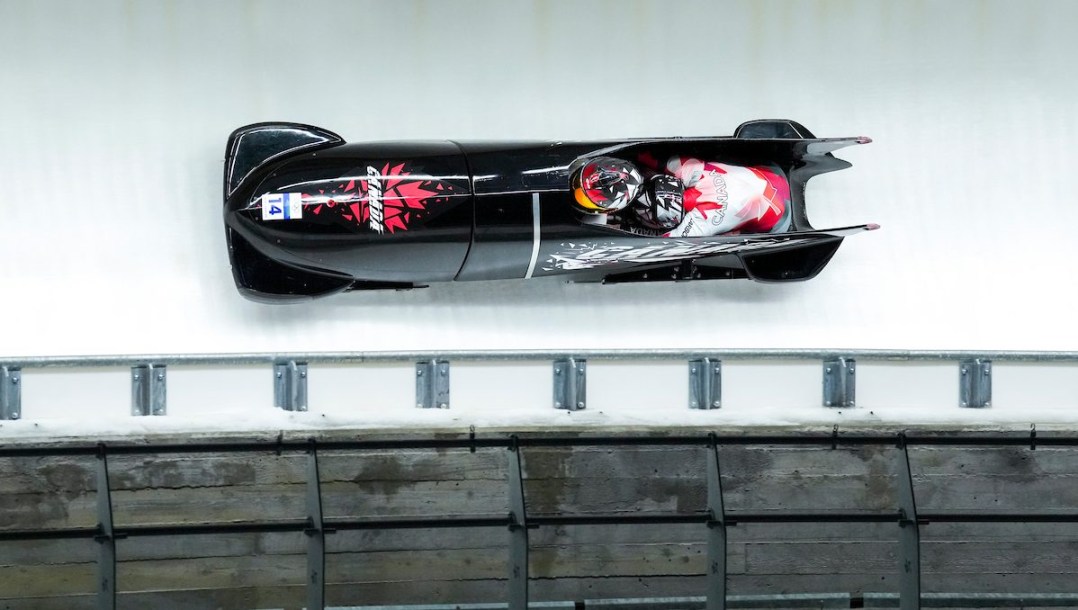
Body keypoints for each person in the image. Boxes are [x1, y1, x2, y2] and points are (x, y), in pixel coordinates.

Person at [572, 155, 790, 237]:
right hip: (771, 175)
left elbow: (664, 241)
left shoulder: (700, 223)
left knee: (729, 234)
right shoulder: (688, 171)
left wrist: (619, 230)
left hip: (777, 218)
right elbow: (652, 158)